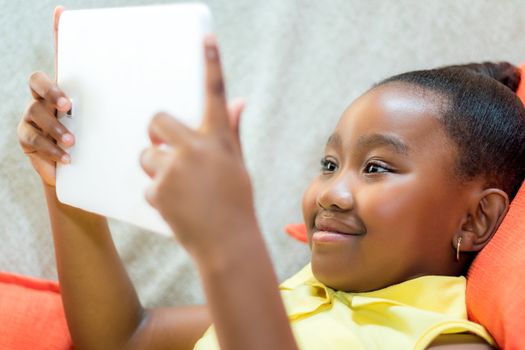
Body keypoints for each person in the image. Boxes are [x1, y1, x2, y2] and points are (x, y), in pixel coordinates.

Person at [17, 6, 525, 350]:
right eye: (329, 164)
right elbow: (126, 336)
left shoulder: (443, 342)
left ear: (477, 219)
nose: (331, 192)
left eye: (375, 168)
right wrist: (66, 181)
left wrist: (228, 241)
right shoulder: (298, 296)